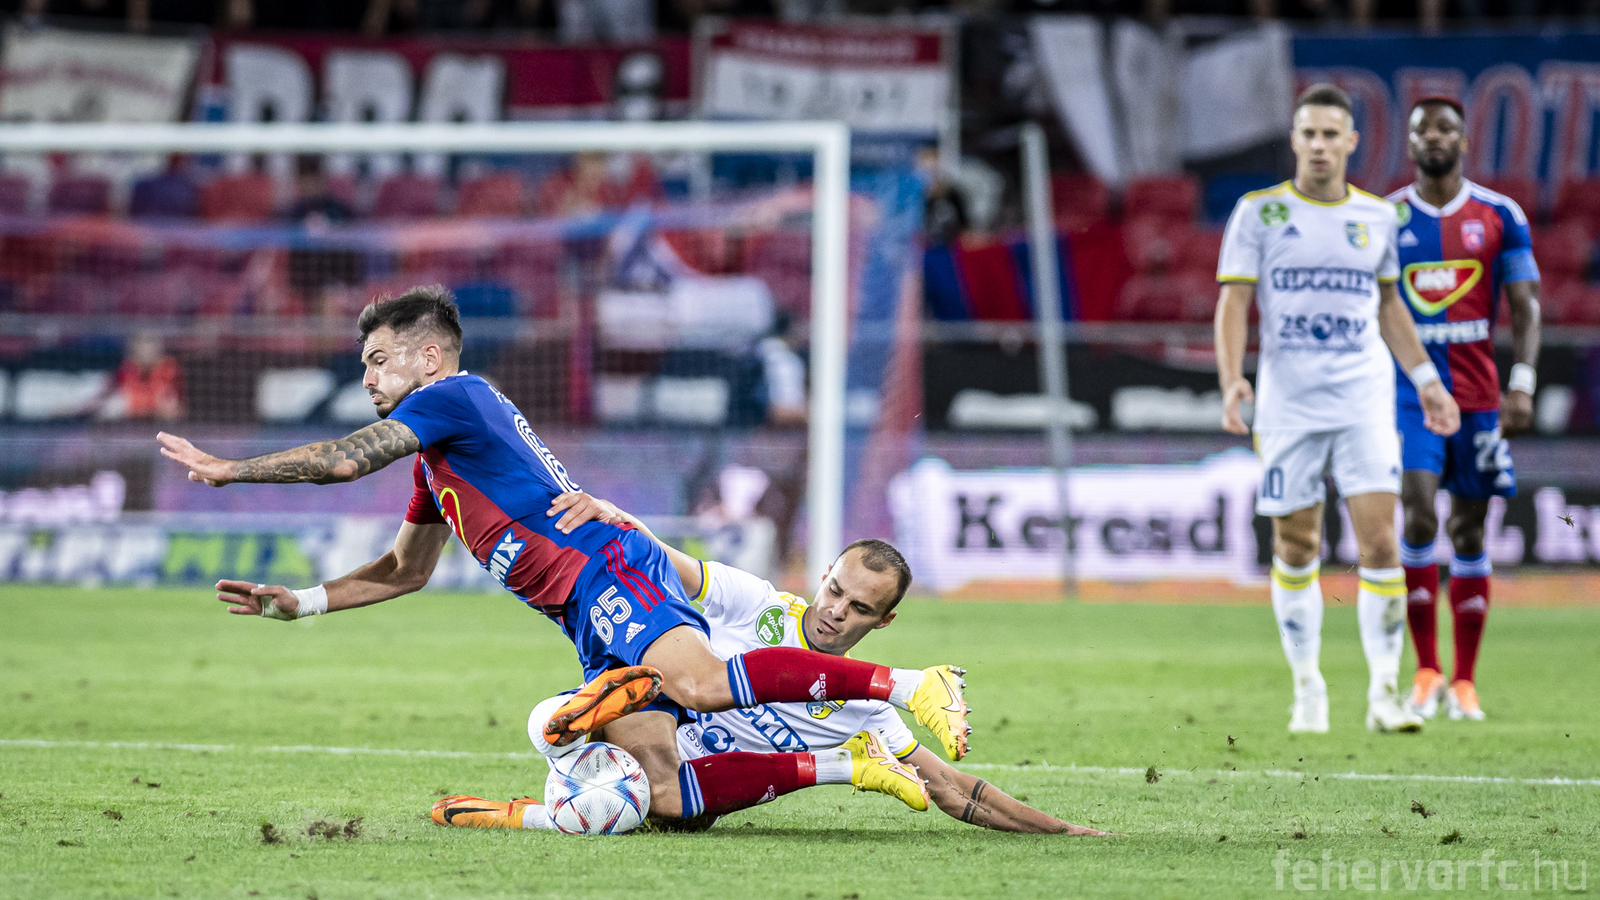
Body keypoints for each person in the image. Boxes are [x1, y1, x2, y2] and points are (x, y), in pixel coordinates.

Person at [155, 285, 971, 826]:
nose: (367, 377)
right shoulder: (438, 462)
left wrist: (232, 469)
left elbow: (343, 461)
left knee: (700, 684)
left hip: (605, 569)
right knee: (664, 799)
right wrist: (301, 601)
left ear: (428, 357)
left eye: (378, 359)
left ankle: (910, 684)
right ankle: (849, 765)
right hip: (583, 611)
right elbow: (404, 570)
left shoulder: (454, 396)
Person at [434, 495, 1112, 835]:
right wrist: (614, 515)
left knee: (630, 801)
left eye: (859, 608)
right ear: (822, 577)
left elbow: (953, 789)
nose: (835, 611)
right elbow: (661, 560)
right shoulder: (755, 602)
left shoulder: (868, 714)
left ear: (883, 622)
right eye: (834, 590)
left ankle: (531, 812)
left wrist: (1062, 831)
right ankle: (609, 703)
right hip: (649, 727)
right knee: (559, 725)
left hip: (689, 794)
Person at [1214, 84, 1461, 735]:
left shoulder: (1377, 217)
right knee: (1296, 544)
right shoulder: (1259, 213)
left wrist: (1427, 380)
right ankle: (1308, 688)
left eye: (1331, 134)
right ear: (1295, 140)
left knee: (1380, 541)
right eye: (1309, 134)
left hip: (1363, 401)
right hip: (1288, 406)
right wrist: (1232, 380)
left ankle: (1384, 694)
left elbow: (1390, 305)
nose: (1320, 145)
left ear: (1351, 142)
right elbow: (1234, 301)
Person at [1387, 97, 1541, 723]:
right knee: (1419, 511)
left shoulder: (1499, 215)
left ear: (1464, 140)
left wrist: (1522, 381)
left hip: (1478, 397)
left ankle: (1465, 682)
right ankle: (1426, 670)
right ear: (1409, 143)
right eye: (1422, 128)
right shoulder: (1387, 217)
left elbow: (1526, 304)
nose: (1434, 136)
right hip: (1410, 396)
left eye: (1445, 127)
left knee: (1470, 531)